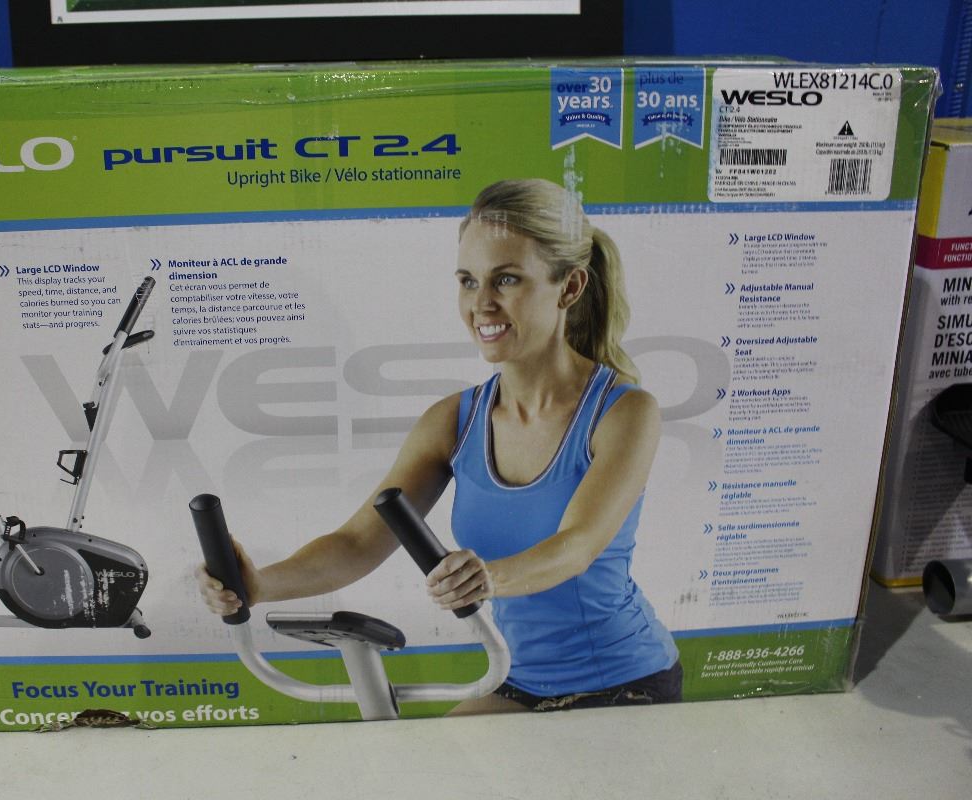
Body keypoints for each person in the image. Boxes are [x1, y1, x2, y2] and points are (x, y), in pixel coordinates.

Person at [197, 178, 681, 712]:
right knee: (425, 759)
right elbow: (358, 543)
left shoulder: (624, 412)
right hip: (520, 678)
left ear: (569, 288)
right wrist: (259, 585)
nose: (482, 304)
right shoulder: (454, 421)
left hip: (624, 678)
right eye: (468, 281)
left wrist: (486, 578)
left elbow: (578, 546)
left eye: (507, 279)